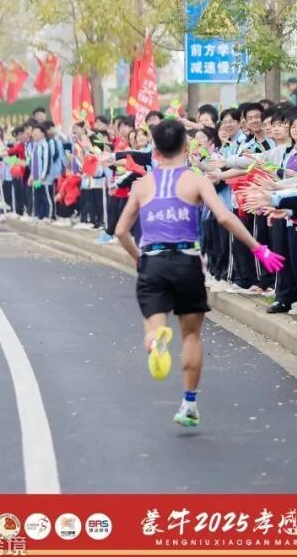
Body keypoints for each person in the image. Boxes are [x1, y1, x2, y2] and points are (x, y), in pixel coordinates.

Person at [114, 119, 284, 427]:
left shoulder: (142, 185)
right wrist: (258, 248)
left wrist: (140, 259)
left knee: (154, 325)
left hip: (153, 260)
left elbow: (121, 231)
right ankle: (189, 404)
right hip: (187, 261)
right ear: (185, 147)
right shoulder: (196, 180)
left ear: (155, 151)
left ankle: (154, 340)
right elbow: (225, 218)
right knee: (191, 334)